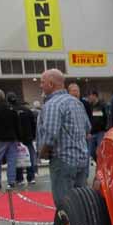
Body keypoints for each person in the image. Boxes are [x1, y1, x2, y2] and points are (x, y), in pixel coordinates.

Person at [37, 69, 91, 205]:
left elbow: (50, 136)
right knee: (80, 205)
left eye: (42, 82)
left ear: (50, 84)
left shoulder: (53, 104)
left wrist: (42, 153)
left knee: (65, 206)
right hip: (82, 160)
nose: (40, 85)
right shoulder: (77, 103)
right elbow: (87, 128)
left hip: (63, 161)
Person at [11, 94, 38, 186]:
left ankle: (19, 178)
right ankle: (31, 177)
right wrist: (33, 135)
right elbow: (33, 123)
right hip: (28, 137)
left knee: (17, 158)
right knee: (29, 156)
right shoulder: (27, 110)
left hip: (15, 138)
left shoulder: (11, 111)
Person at [86, 91, 108, 161]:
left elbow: (106, 117)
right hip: (91, 133)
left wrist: (106, 129)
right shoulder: (89, 107)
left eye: (90, 95)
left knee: (100, 151)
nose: (89, 97)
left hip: (100, 132)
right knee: (91, 152)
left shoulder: (102, 106)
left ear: (95, 96)